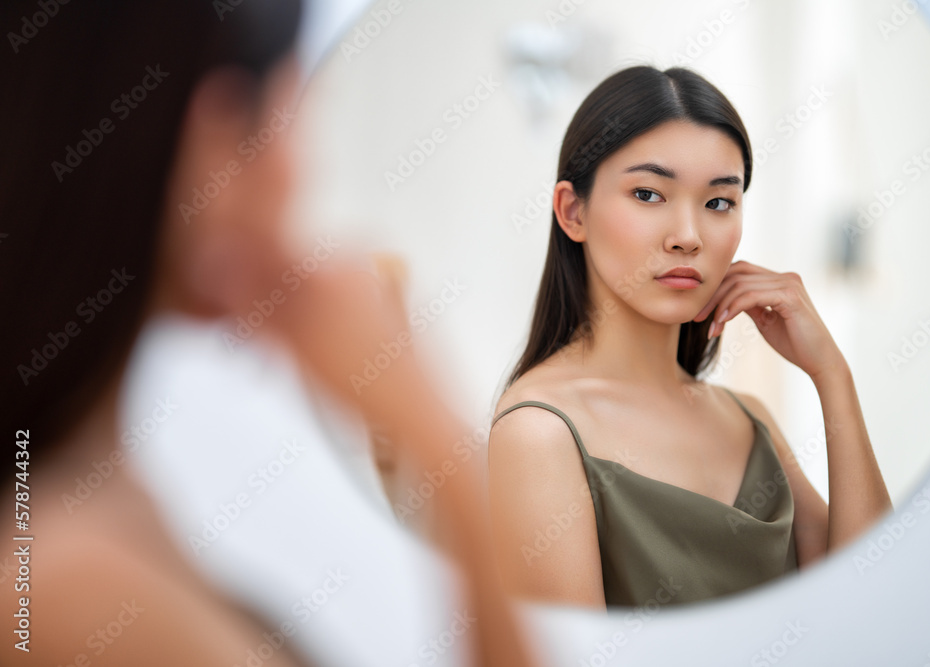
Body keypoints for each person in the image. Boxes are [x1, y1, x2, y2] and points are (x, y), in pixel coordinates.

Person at [0, 1, 535, 665]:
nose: (295, 174)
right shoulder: (68, 584)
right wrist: (440, 446)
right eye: (292, 115)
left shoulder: (77, 495)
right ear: (212, 139)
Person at [487, 65, 893, 610]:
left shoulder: (749, 420)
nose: (688, 236)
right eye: (649, 194)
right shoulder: (540, 432)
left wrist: (832, 377)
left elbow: (875, 602)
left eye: (718, 202)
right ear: (573, 211)